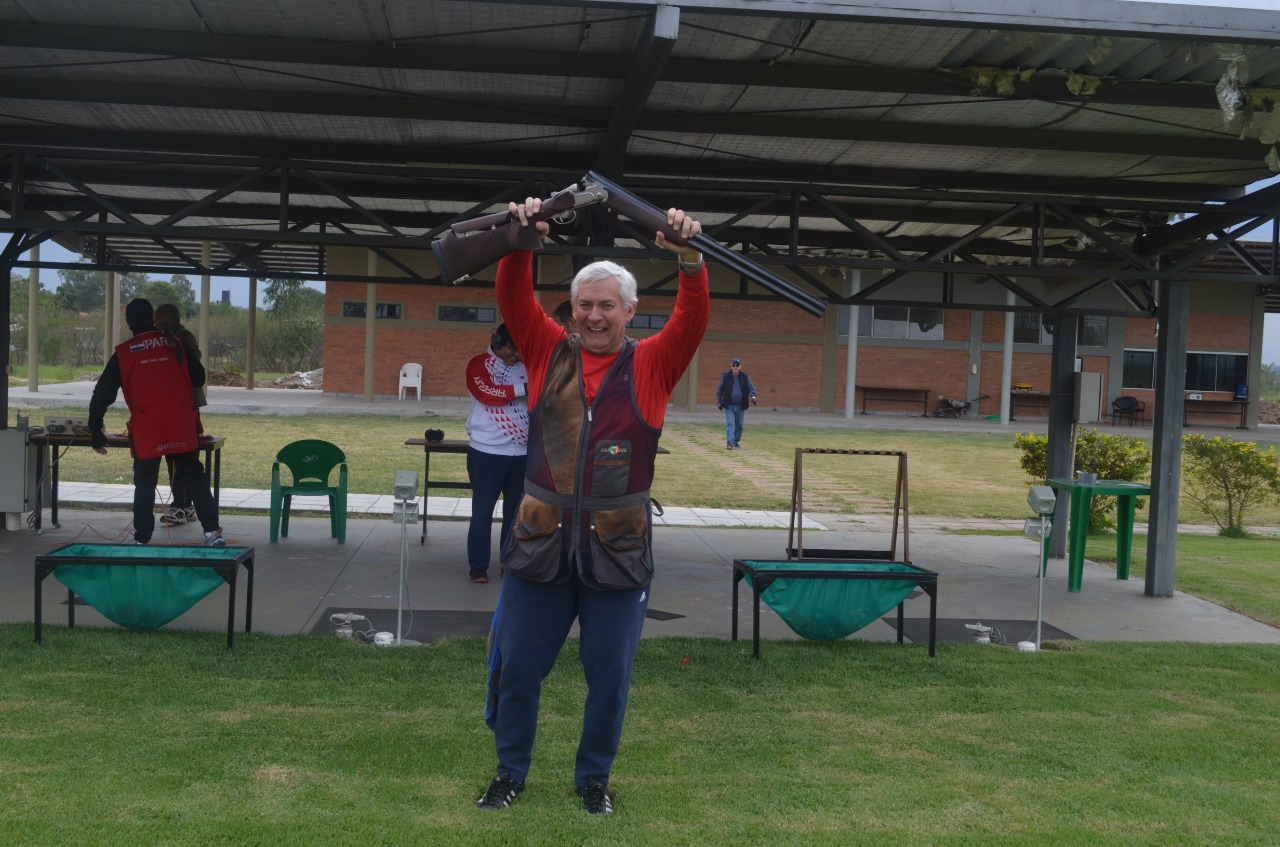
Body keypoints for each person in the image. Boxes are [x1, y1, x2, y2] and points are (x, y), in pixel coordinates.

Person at [475, 198, 708, 815]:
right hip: (539, 543)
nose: (596, 315)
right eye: (586, 304)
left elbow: (692, 319)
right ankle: (509, 773)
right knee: (517, 670)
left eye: (608, 305)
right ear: (571, 310)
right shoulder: (545, 349)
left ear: (630, 311)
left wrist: (689, 258)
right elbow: (513, 299)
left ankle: (592, 781)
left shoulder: (655, 363)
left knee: (609, 681)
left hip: (618, 551)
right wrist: (522, 239)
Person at [87, 298, 225, 547]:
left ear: (128, 322)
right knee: (194, 476)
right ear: (153, 316)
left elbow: (102, 394)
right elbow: (198, 377)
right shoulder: (176, 343)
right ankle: (212, 532)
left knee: (144, 483)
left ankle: (142, 539)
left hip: (147, 428)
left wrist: (95, 429)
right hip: (180, 424)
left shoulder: (124, 353)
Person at [464, 323, 530, 584]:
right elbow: (487, 393)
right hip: (486, 452)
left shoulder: (527, 364)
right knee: (482, 512)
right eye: (512, 350)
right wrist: (524, 391)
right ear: (498, 341)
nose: (516, 356)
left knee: (516, 515)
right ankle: (478, 566)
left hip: (523, 452)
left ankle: (509, 562)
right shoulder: (479, 364)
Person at [153, 303, 206, 526]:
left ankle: (182, 504)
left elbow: (193, 362)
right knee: (172, 457)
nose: (154, 325)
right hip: (169, 406)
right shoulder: (162, 338)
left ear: (165, 319)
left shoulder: (184, 336)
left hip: (185, 406)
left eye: (157, 320)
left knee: (184, 457)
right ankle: (182, 503)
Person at [716, 357, 757, 449]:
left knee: (739, 425)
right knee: (730, 423)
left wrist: (753, 397)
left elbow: (751, 387)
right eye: (733, 365)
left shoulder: (745, 376)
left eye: (737, 365)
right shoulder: (725, 376)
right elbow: (719, 390)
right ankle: (729, 443)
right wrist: (719, 401)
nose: (735, 367)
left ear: (740, 366)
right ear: (731, 366)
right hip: (729, 405)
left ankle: (735, 441)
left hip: (740, 405)